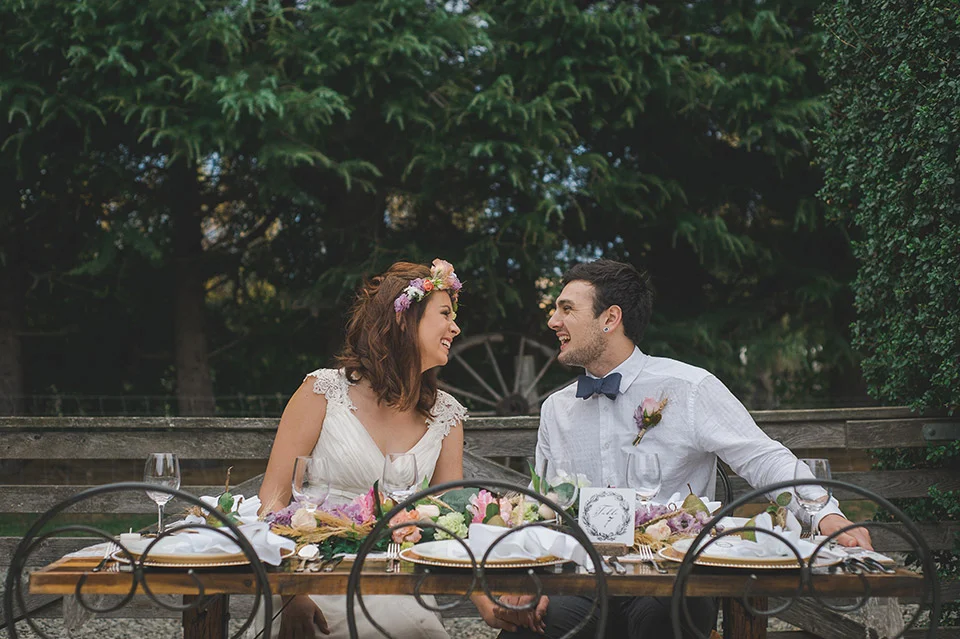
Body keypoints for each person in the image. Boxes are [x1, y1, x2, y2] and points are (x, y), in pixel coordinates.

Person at [488, 259, 872, 638]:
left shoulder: (689, 388)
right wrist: (528, 576)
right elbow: (543, 503)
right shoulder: (557, 408)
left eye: (566, 309)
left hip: (671, 579)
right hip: (582, 584)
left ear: (610, 318)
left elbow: (763, 457)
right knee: (527, 629)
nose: (553, 321)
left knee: (662, 619)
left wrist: (825, 516)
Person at [255, 259, 467, 639]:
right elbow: (273, 500)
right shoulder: (322, 392)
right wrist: (291, 590)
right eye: (445, 314)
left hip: (396, 577)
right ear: (404, 319)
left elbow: (450, 520)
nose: (456, 327)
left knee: (412, 628)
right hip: (311, 572)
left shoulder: (446, 416)